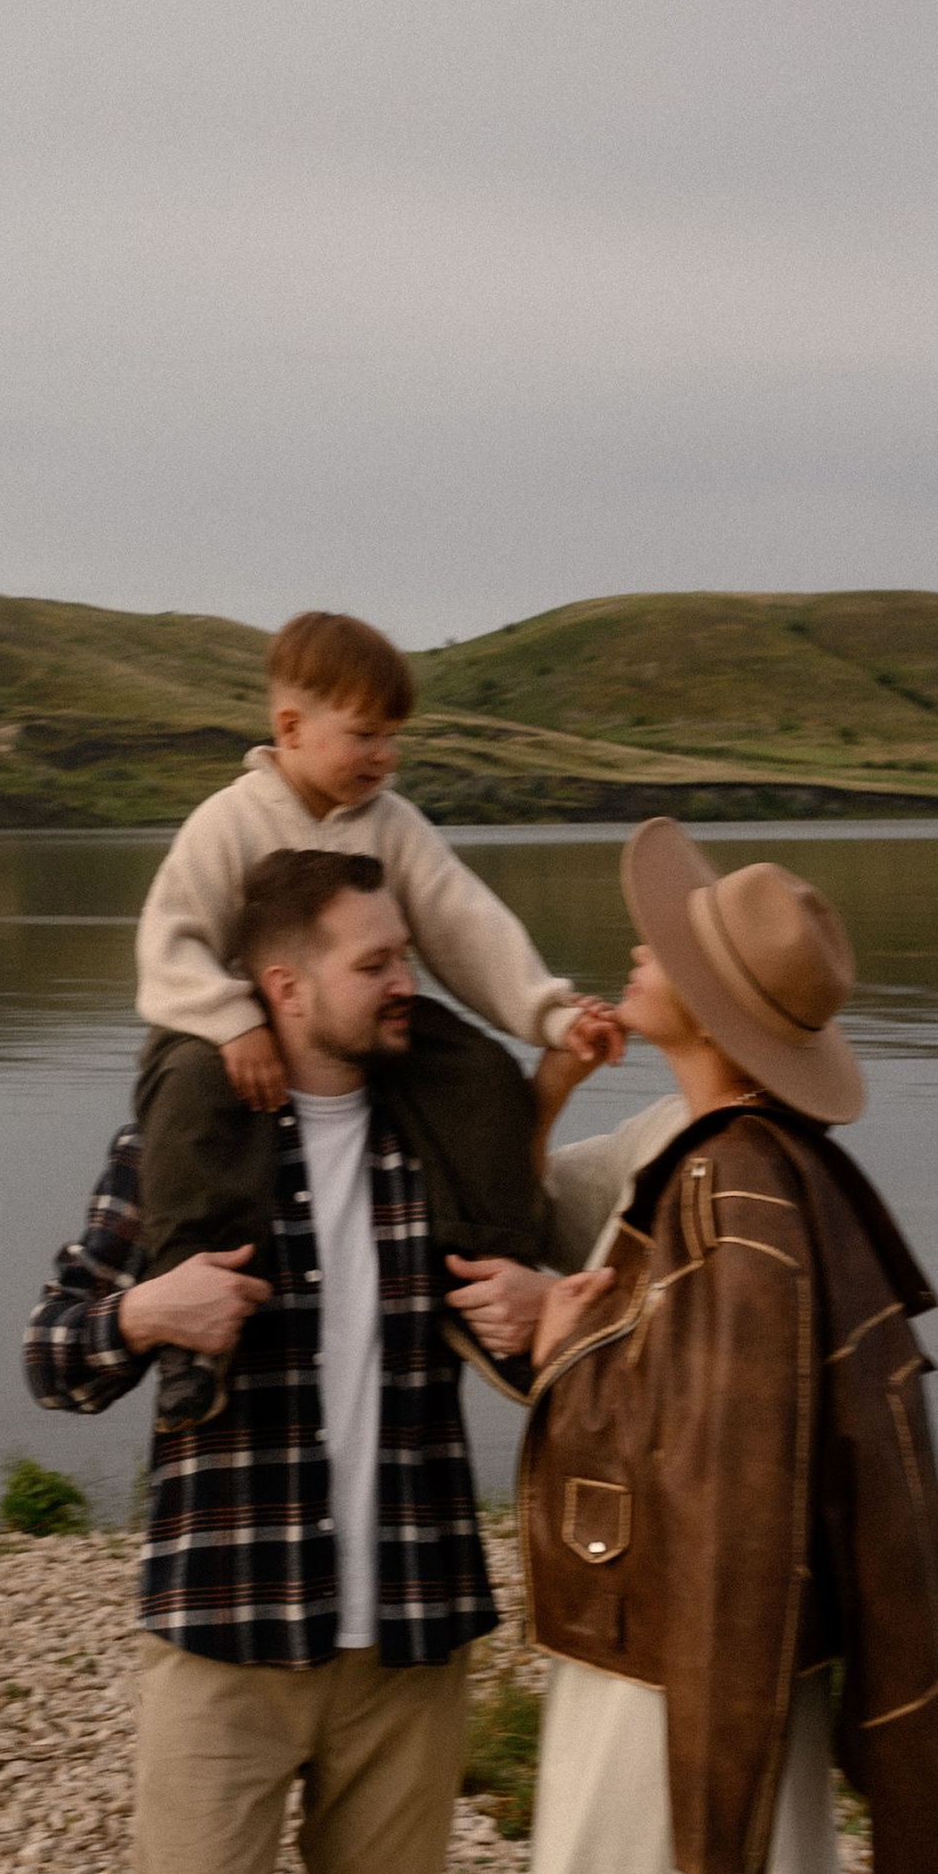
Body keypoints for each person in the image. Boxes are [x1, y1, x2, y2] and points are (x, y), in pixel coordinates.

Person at [454, 820, 938, 1874]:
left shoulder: (732, 1181)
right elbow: (707, 1387)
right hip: (711, 1634)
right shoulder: (733, 1156)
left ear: (711, 1006)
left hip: (675, 1644)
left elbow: (716, 1445)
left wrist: (559, 1341)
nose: (638, 944)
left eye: (668, 946)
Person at [25, 848, 499, 1874]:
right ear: (283, 985)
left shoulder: (435, 1145)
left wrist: (551, 1300)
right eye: (375, 962)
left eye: (407, 955)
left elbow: (549, 1321)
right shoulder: (181, 1145)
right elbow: (50, 1352)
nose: (407, 982)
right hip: (223, 1632)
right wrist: (143, 1312)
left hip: (409, 1640)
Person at [133, 608, 619, 1420]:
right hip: (229, 1029)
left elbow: (465, 925)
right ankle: (191, 1334)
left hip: (355, 1019)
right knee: (184, 1095)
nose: (384, 757)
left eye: (394, 738)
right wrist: (229, 1020)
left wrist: (548, 1012)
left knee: (480, 1073)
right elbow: (168, 944)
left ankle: (488, 1285)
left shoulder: (391, 823)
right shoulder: (230, 821)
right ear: (290, 726)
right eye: (364, 736)